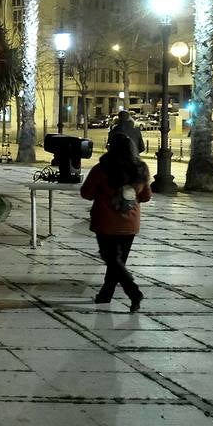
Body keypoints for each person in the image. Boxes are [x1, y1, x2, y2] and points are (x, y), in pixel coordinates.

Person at [80, 130, 151, 310]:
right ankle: (106, 295)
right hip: (130, 222)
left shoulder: (102, 168)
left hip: (106, 222)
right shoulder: (140, 169)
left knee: (112, 260)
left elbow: (86, 193)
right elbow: (145, 196)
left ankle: (133, 291)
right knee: (117, 262)